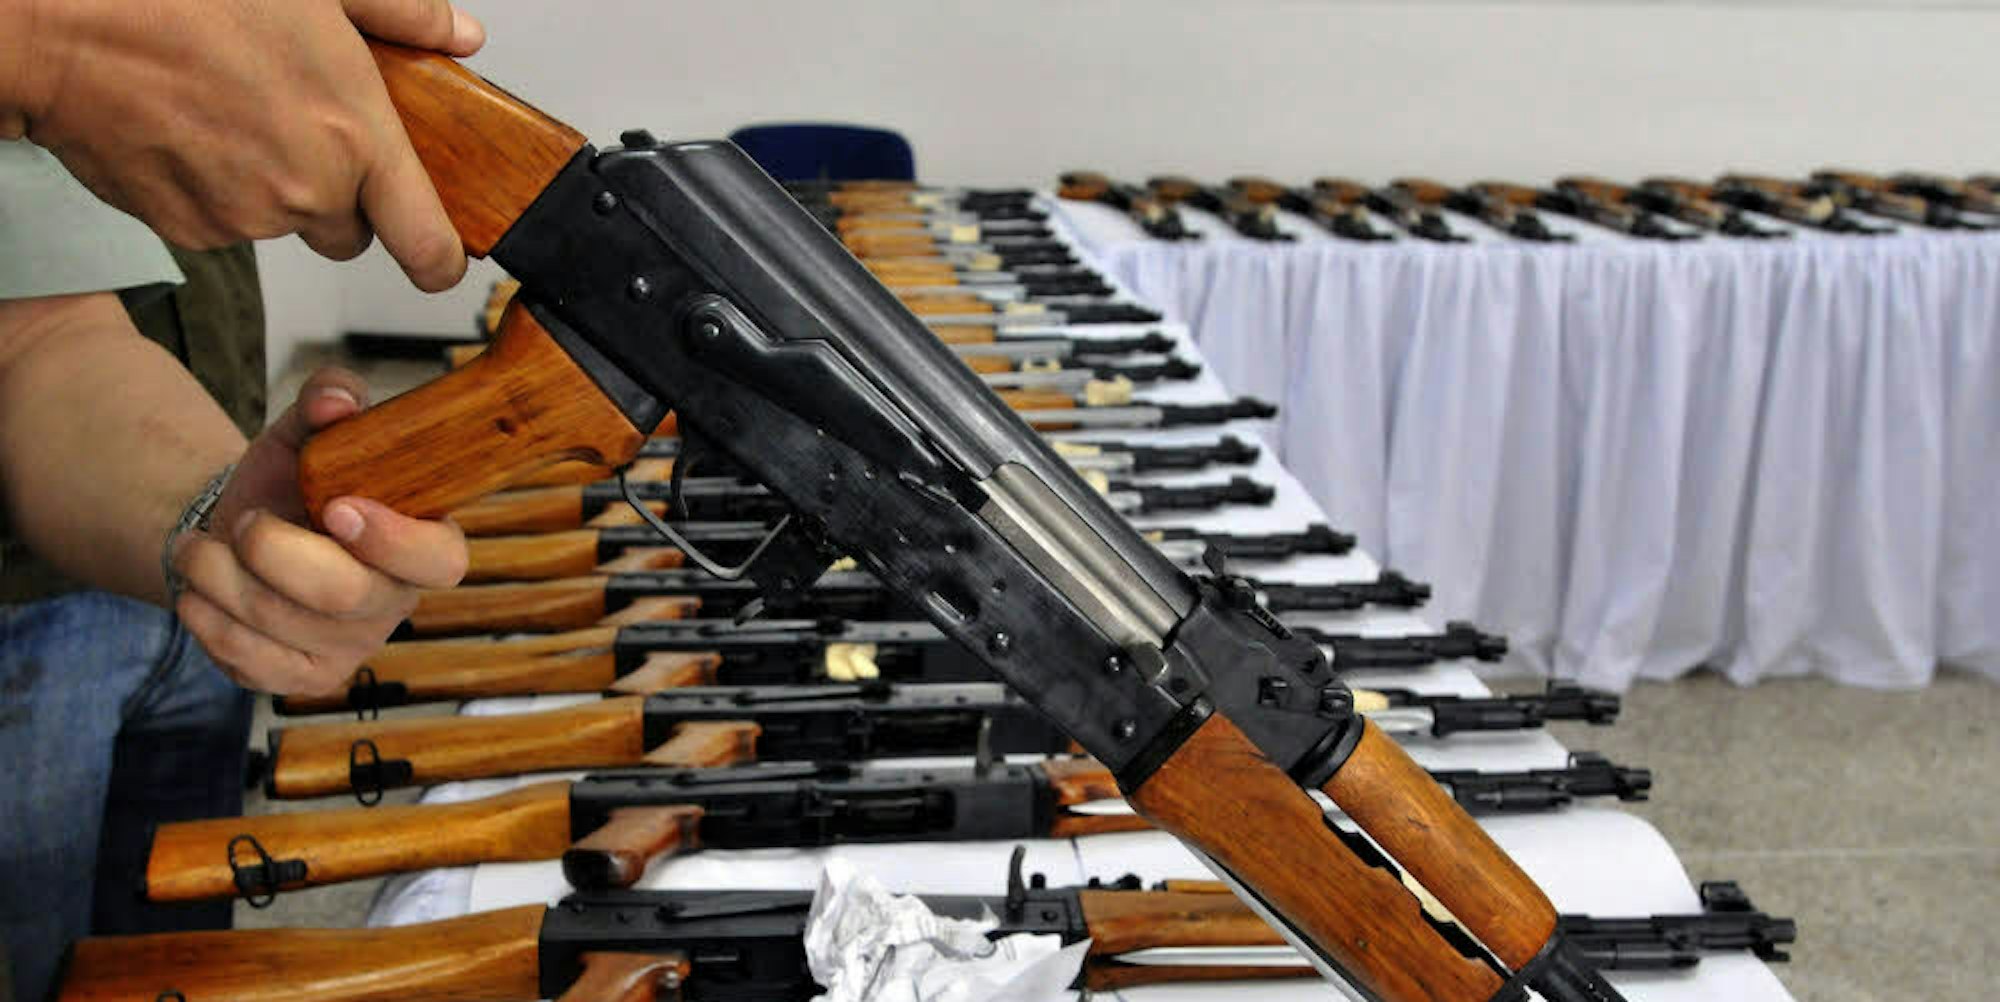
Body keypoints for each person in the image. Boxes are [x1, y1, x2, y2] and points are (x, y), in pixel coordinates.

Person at [0, 2, 487, 997]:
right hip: (22, 608)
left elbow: (36, 332)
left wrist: (216, 516)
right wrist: (56, 42)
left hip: (149, 534)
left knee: (167, 963)